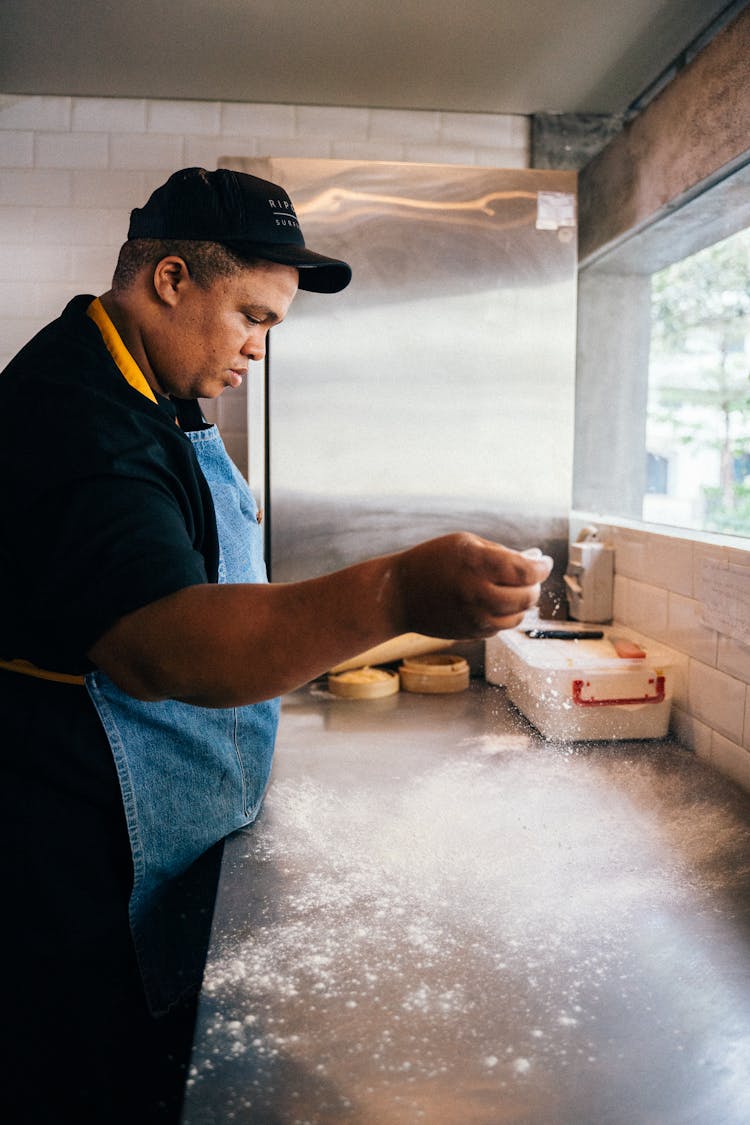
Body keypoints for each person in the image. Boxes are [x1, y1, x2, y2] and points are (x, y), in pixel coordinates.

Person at [0, 166, 552, 1123]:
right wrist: (397, 590)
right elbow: (169, 646)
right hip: (70, 875)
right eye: (252, 317)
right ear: (170, 279)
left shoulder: (151, 387)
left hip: (147, 832)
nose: (259, 349)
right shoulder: (77, 418)